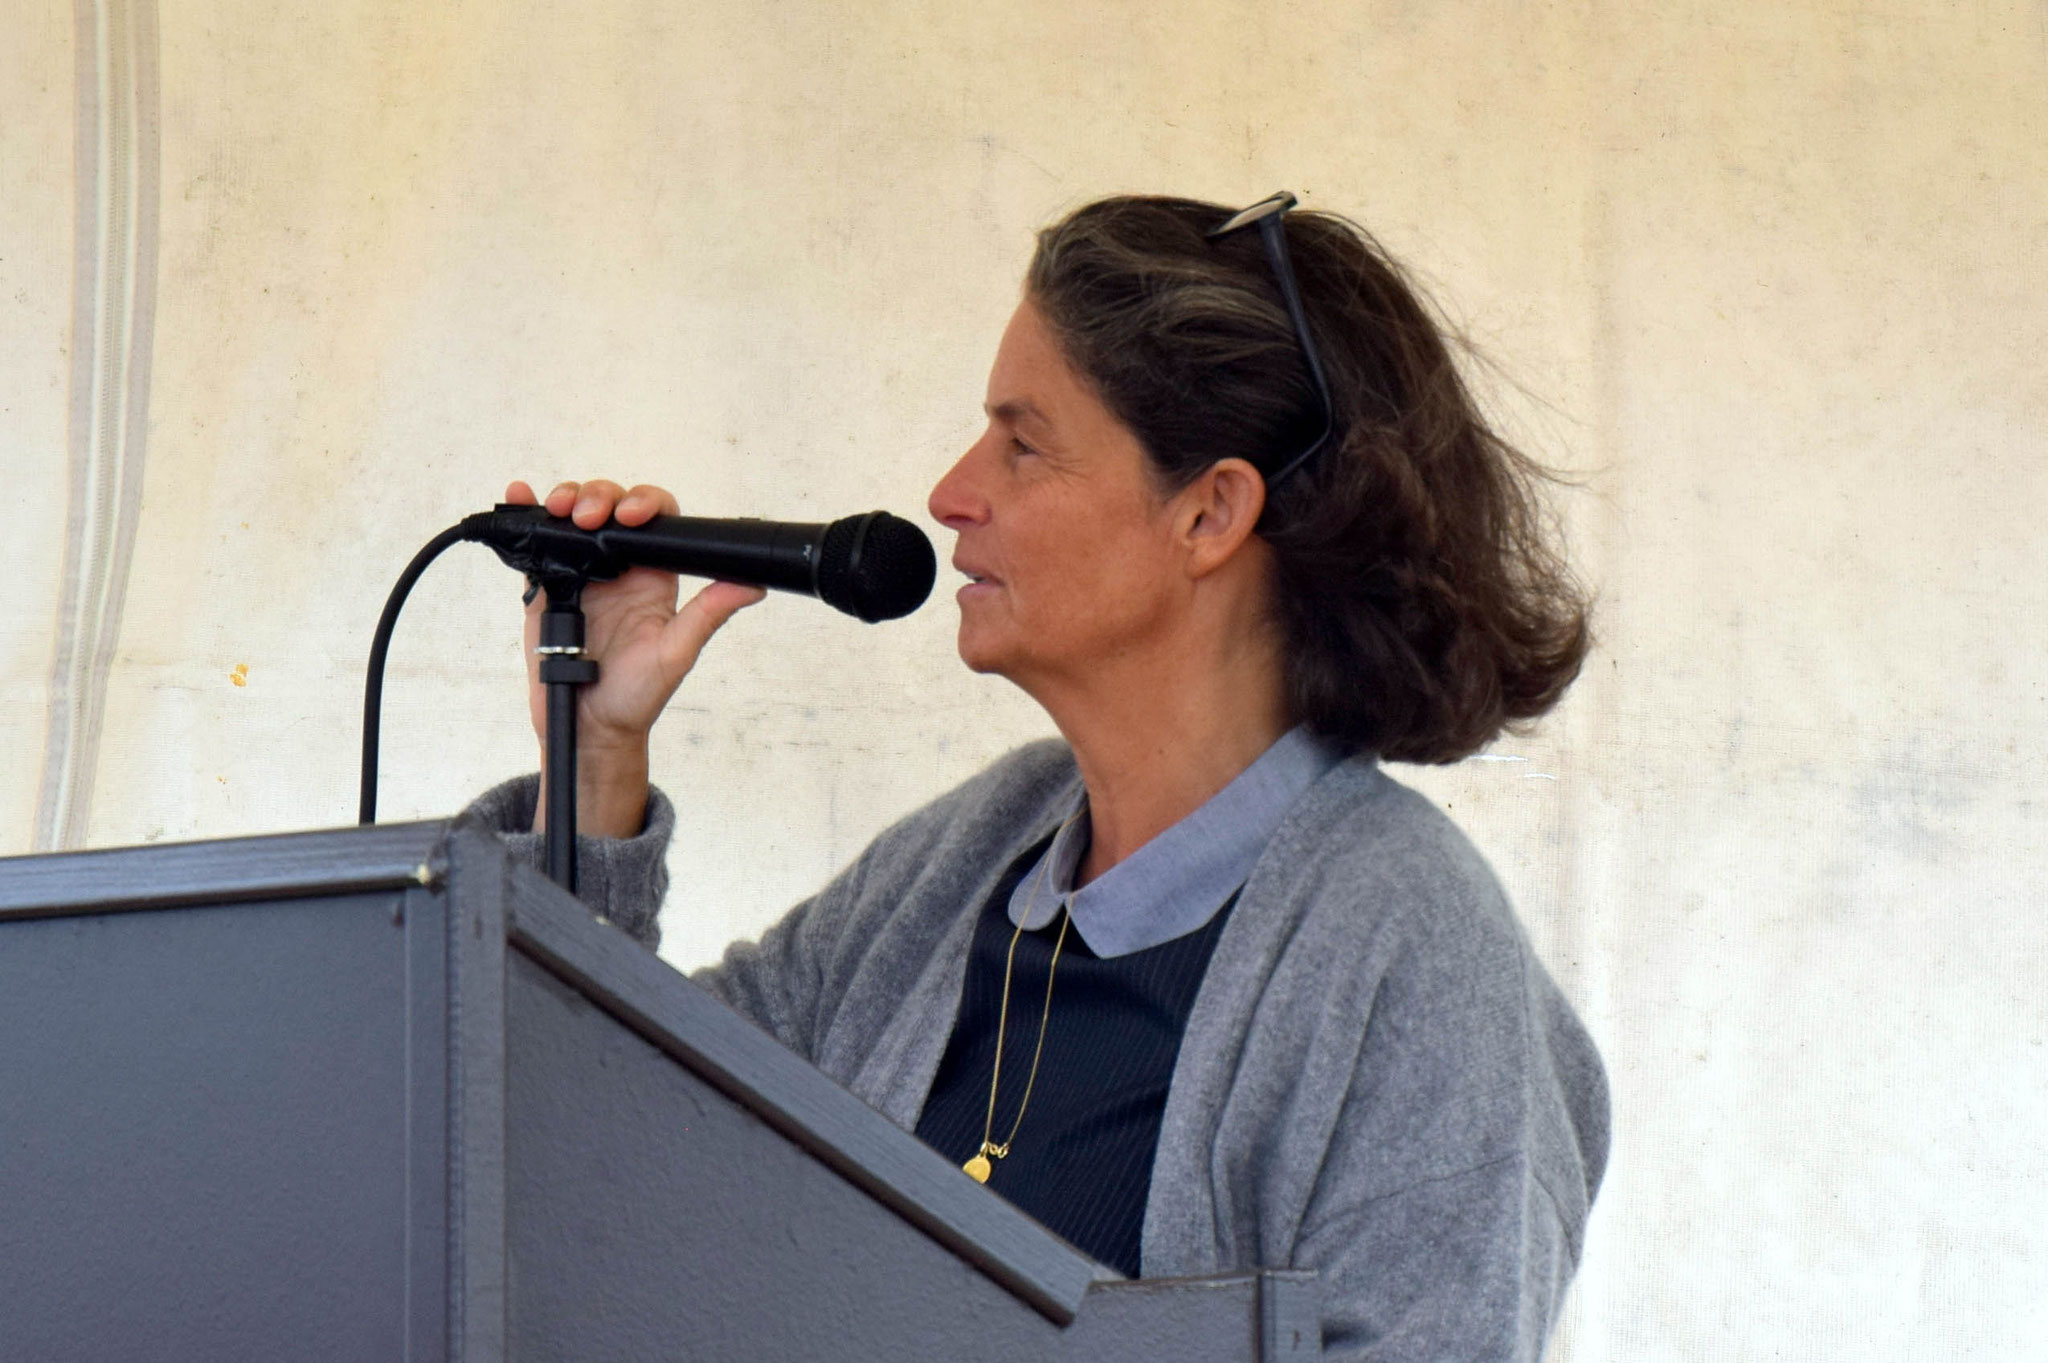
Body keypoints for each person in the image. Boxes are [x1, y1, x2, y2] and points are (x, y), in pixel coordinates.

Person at [467, 192, 1608, 1362]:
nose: (951, 491)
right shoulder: (971, 855)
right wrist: (594, 749)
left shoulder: (1412, 951)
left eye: (1023, 441)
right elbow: (602, 1151)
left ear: (1209, 512)